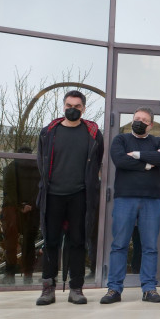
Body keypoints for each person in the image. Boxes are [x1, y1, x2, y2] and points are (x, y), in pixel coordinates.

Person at [35, 90, 104, 305]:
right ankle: (48, 289)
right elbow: (41, 162)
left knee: (78, 242)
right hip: (53, 195)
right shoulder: (49, 132)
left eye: (76, 106)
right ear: (63, 106)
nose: (71, 109)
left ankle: (76, 288)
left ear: (83, 108)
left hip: (80, 196)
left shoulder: (93, 133)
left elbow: (96, 163)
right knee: (51, 241)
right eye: (68, 105)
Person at [100, 107, 160, 304]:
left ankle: (149, 289)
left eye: (144, 119)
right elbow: (120, 161)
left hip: (151, 200)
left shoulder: (158, 141)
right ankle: (114, 289)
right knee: (119, 245)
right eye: (136, 118)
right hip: (125, 199)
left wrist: (137, 155)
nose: (139, 121)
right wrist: (148, 163)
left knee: (149, 247)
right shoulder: (120, 140)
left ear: (151, 124)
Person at [0, 146, 40, 285]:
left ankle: (10, 274)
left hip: (12, 209)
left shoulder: (11, 167)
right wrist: (31, 205)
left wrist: (19, 206)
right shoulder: (38, 168)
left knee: (11, 243)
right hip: (31, 210)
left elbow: (8, 190)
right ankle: (28, 275)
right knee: (29, 244)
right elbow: (40, 189)